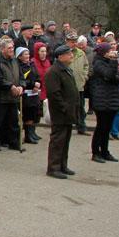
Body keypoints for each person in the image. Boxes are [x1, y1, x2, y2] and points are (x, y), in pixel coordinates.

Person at [44, 45, 79, 179]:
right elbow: (54, 94)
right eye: (68, 53)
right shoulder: (53, 72)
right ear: (60, 56)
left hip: (68, 111)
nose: (71, 55)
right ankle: (53, 167)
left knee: (65, 140)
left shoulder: (66, 70)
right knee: (58, 140)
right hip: (60, 112)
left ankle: (62, 165)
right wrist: (64, 107)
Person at [88, 42, 119, 163]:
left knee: (107, 127)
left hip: (112, 99)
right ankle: (95, 152)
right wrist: (114, 61)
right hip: (102, 99)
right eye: (109, 51)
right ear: (104, 53)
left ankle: (105, 151)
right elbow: (109, 75)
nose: (112, 53)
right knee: (101, 127)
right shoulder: (98, 63)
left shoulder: (110, 63)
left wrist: (115, 74)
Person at [0, 39, 23, 151]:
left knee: (14, 121)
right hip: (2, 96)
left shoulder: (15, 60)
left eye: (12, 47)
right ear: (3, 49)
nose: (12, 50)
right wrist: (10, 86)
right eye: (9, 48)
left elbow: (21, 76)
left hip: (14, 96)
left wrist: (21, 85)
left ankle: (13, 142)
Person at [18, 47, 42, 145]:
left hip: (34, 93)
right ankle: (28, 135)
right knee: (27, 114)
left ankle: (32, 132)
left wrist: (38, 83)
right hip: (26, 93)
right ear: (19, 57)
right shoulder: (19, 67)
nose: (27, 56)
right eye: (25, 54)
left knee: (34, 112)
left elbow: (37, 76)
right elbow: (22, 80)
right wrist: (33, 85)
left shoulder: (31, 65)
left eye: (28, 54)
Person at [71, 35, 90, 134]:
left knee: (80, 108)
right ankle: (67, 127)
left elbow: (86, 66)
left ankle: (81, 127)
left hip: (79, 85)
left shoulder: (81, 53)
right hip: (68, 87)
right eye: (71, 41)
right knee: (68, 108)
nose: (73, 43)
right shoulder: (64, 52)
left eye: (75, 41)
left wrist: (85, 76)